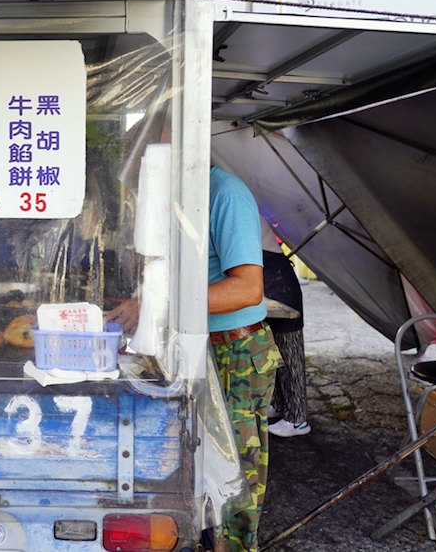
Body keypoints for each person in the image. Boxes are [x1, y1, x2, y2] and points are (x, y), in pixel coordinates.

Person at [107, 165, 281, 552]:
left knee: (235, 471)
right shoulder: (182, 195)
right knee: (199, 461)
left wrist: (158, 305)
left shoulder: (225, 194)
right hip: (200, 344)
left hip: (236, 352)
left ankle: (236, 547)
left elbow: (248, 289)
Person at [260, 217, 311, 438]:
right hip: (268, 284)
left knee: (291, 357)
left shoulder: (243, 210)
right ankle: (279, 405)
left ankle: (298, 419)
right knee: (276, 354)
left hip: (281, 285)